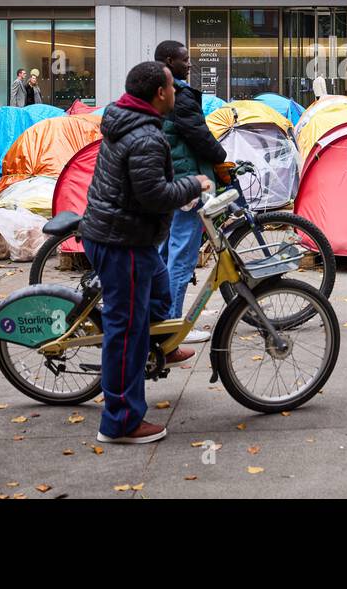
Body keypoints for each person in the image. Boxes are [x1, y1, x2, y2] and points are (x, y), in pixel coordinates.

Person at [78, 61, 213, 444]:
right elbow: (154, 195)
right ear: (159, 93)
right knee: (126, 331)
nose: (177, 92)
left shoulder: (128, 120)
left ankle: (157, 349)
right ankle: (120, 423)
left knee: (160, 291)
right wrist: (192, 185)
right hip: (122, 240)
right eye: (173, 86)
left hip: (125, 235)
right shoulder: (146, 137)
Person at [155, 40, 227, 343]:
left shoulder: (158, 94)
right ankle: (172, 326)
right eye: (185, 60)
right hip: (188, 183)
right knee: (182, 257)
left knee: (165, 252)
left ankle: (158, 319)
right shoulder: (181, 96)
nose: (190, 64)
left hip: (170, 181)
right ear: (170, 61)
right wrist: (221, 156)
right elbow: (198, 133)